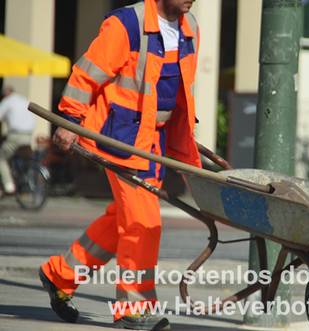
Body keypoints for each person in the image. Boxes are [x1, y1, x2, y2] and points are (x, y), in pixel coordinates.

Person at [38, 0, 199, 330]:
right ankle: (133, 307)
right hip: (121, 138)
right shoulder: (127, 24)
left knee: (122, 220)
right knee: (143, 221)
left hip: (155, 142)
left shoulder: (190, 27)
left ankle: (59, 274)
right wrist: (69, 119)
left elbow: (180, 90)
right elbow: (88, 72)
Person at [0, 86, 35, 194]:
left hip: (16, 135)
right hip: (29, 135)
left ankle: (8, 184)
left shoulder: (7, 101)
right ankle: (19, 175)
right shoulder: (23, 100)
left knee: (1, 158)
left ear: (6, 94)